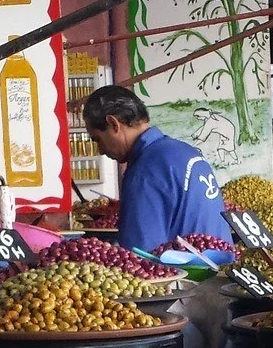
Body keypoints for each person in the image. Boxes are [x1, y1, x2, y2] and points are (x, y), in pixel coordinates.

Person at [81, 85, 229, 252]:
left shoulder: (143, 172)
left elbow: (140, 255)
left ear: (113, 124)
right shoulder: (186, 152)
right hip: (222, 271)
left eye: (98, 139)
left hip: (186, 276)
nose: (100, 150)